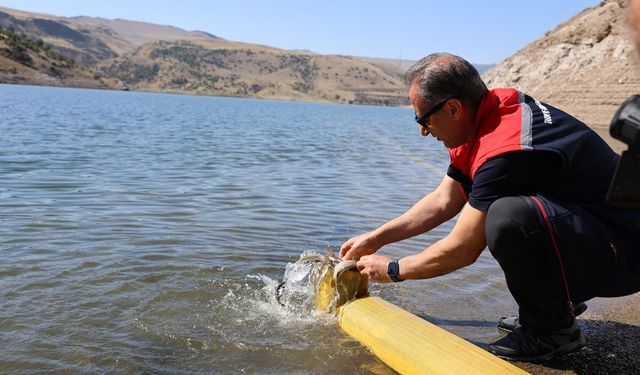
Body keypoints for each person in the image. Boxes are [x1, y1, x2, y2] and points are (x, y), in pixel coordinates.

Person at [340, 53, 640, 362]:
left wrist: (392, 270)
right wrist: (376, 238)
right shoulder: (490, 113)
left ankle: (552, 331)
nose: (423, 131)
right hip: (605, 233)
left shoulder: (503, 150)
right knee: (508, 212)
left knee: (505, 218)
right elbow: (444, 200)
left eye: (423, 119)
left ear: (453, 108)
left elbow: (461, 249)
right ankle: (544, 311)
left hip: (626, 255)